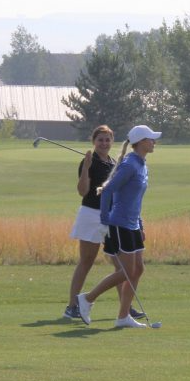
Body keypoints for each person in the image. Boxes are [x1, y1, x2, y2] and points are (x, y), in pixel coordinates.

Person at [77, 124, 161, 328]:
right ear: (140, 142)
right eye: (150, 139)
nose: (154, 142)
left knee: (138, 269)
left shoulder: (142, 164)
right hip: (119, 224)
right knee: (126, 271)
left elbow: (136, 199)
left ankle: (123, 317)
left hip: (132, 224)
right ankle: (87, 299)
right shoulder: (130, 164)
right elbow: (106, 191)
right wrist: (105, 221)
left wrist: (140, 224)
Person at [63, 125, 143, 320]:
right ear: (94, 142)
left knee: (120, 265)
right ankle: (72, 305)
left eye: (107, 140)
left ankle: (126, 308)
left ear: (112, 141)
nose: (104, 143)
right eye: (100, 140)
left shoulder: (115, 162)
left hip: (112, 217)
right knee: (87, 261)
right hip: (91, 214)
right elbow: (83, 191)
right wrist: (87, 168)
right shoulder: (88, 161)